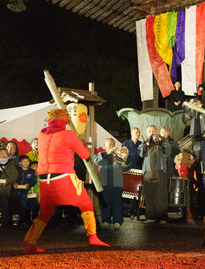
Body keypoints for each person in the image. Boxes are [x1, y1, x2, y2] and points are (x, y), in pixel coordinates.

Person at [22, 109, 108, 254]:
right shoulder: (69, 134)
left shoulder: (41, 134)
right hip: (63, 177)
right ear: (65, 121)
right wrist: (82, 145)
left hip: (44, 180)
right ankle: (92, 236)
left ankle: (30, 243)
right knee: (85, 203)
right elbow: (85, 154)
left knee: (45, 212)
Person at [139, 125, 170, 223]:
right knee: (149, 195)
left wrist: (160, 143)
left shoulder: (163, 141)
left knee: (161, 196)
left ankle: (162, 217)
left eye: (153, 131)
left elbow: (168, 151)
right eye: (149, 131)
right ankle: (150, 217)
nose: (151, 133)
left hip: (160, 172)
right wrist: (145, 145)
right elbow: (140, 153)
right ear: (146, 133)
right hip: (148, 172)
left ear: (156, 132)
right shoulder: (144, 143)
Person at [93, 138, 126, 228]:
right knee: (105, 204)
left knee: (117, 204)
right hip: (104, 184)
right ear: (104, 146)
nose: (111, 146)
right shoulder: (101, 155)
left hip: (117, 184)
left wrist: (125, 158)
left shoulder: (118, 156)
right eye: (109, 144)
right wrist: (106, 153)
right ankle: (106, 221)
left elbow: (126, 166)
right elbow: (95, 160)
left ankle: (117, 222)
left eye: (112, 144)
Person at [11, 155, 39, 227]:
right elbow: (12, 178)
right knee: (12, 205)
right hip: (15, 191)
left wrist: (29, 184)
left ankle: (21, 221)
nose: (26, 163)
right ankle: (10, 220)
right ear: (20, 163)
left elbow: (34, 180)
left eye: (27, 161)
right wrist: (14, 183)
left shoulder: (32, 171)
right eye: (24, 161)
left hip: (24, 192)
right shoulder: (17, 170)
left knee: (23, 207)